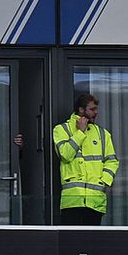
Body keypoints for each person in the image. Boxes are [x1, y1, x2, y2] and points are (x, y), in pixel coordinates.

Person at [51, 91, 116, 224]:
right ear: (81, 110)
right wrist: (80, 132)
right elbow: (65, 155)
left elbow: (112, 161)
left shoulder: (103, 134)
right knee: (71, 243)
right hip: (72, 200)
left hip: (95, 200)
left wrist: (103, 181)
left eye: (96, 109)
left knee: (92, 242)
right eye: (92, 109)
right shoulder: (61, 129)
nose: (96, 112)